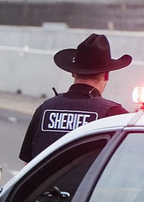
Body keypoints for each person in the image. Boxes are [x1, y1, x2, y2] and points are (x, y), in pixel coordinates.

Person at [19, 33, 131, 163]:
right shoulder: (114, 114)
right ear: (105, 76)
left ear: (73, 72)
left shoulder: (44, 109)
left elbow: (27, 164)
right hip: (89, 184)